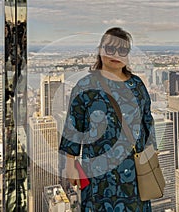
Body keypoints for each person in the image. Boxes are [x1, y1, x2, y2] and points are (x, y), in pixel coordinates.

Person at [59, 27, 155, 211]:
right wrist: (70, 165)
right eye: (110, 49)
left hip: (134, 171)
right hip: (97, 172)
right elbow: (73, 127)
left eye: (122, 50)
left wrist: (151, 159)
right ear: (100, 50)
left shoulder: (137, 85)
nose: (116, 54)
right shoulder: (85, 86)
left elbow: (147, 122)